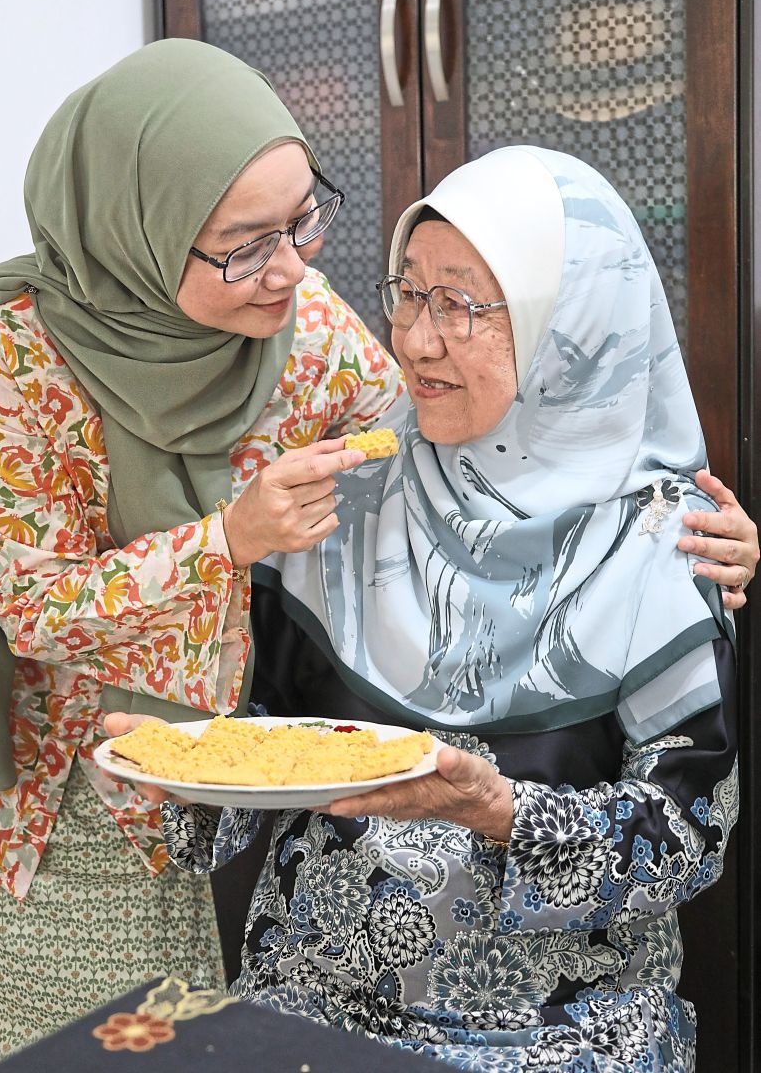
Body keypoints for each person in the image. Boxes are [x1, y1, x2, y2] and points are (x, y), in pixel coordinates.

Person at [152, 147, 746, 1071]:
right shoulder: (345, 498)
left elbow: (687, 838)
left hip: (557, 1038)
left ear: (571, 325)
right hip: (311, 1011)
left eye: (462, 305)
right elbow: (253, 744)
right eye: (409, 292)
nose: (418, 341)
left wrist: (498, 810)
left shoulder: (668, 545)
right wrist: (174, 767)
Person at [0, 38, 404, 1070]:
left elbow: (434, 452)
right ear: (133, 234)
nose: (292, 266)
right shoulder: (15, 356)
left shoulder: (303, 325)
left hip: (216, 788)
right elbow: (31, 601)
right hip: (45, 797)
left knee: (167, 1048)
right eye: (244, 245)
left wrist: (659, 519)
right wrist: (229, 538)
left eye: (302, 219)